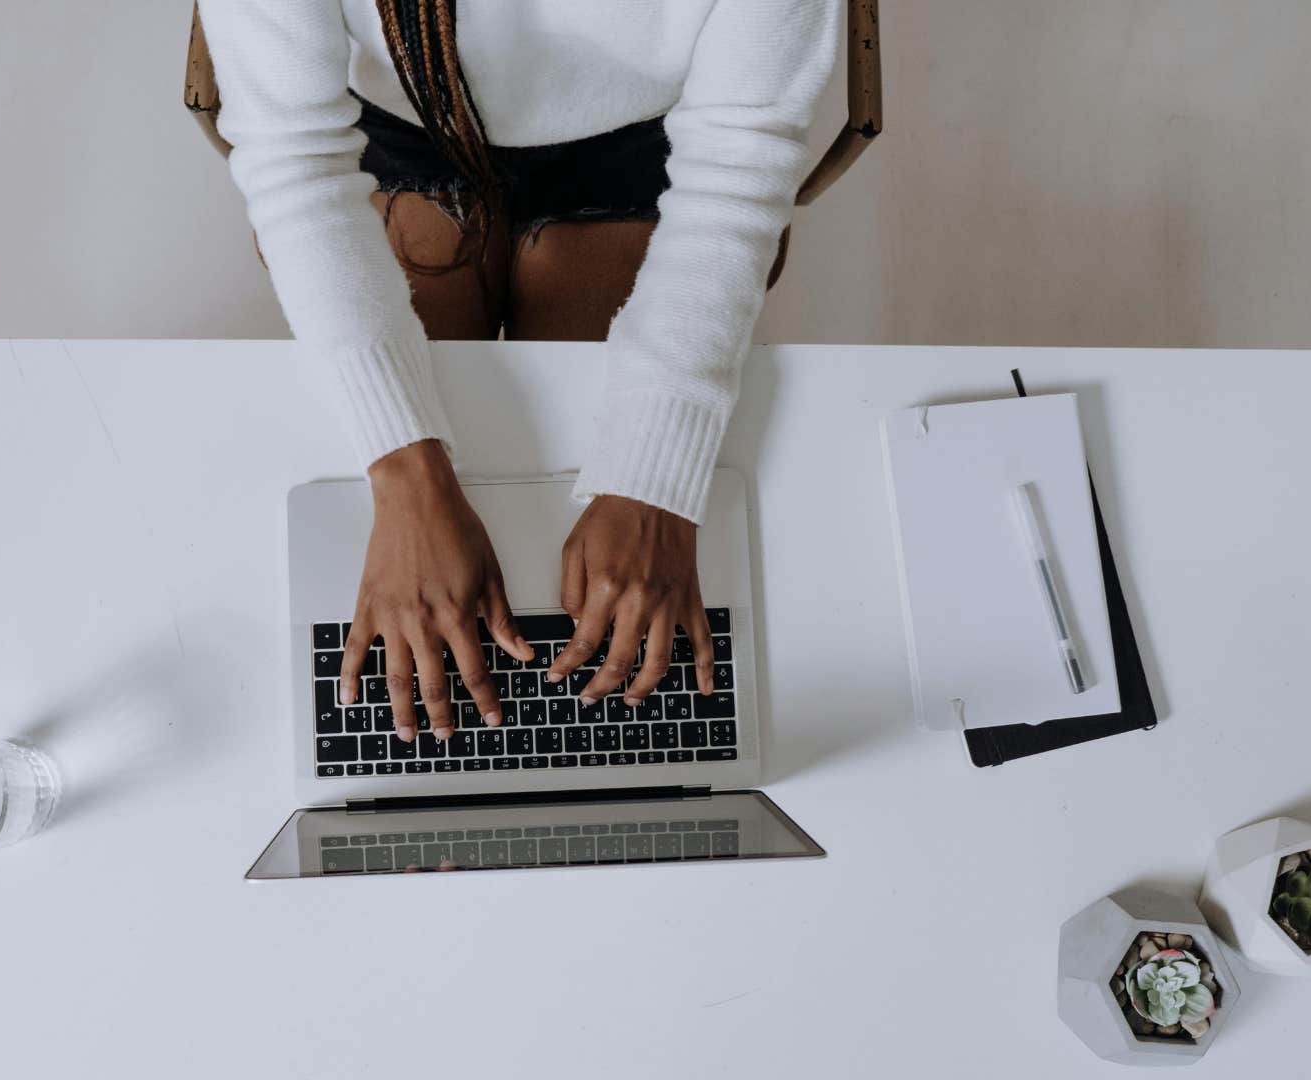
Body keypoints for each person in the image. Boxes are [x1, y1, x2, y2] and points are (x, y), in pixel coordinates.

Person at [202, 0, 838, 747]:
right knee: (411, 579)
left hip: (646, 134)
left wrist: (653, 484)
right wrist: (406, 474)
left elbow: (741, 156)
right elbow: (294, 156)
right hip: (404, 118)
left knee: (592, 584)